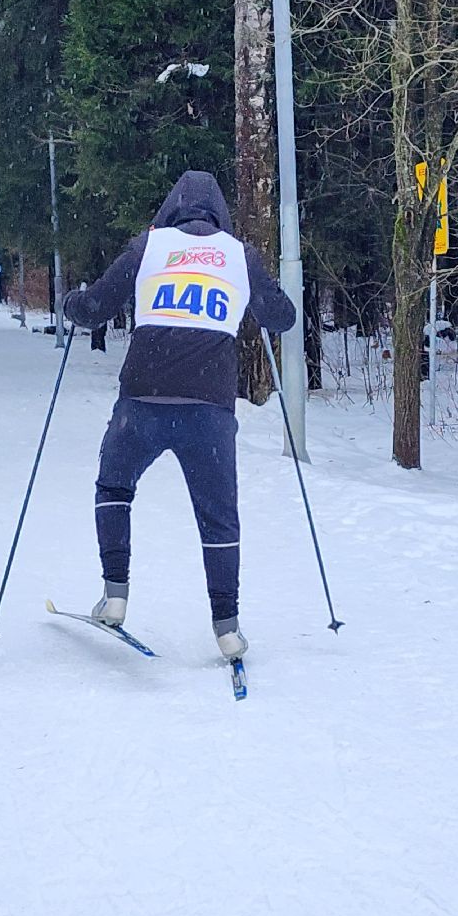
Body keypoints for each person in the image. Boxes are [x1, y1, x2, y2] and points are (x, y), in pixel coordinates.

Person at [62, 170, 296, 661]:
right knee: (218, 518)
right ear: (220, 213)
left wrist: (72, 303)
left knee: (114, 486)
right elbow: (283, 318)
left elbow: (95, 308)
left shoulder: (149, 246)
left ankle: (115, 594)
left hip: (142, 399)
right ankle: (227, 626)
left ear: (171, 209)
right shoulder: (239, 253)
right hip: (208, 408)